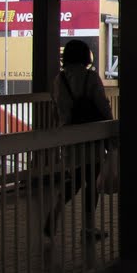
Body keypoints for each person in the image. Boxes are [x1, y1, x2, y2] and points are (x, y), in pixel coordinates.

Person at [48, 39, 113, 244]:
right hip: (91, 137)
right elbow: (102, 105)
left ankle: (54, 215)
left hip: (69, 137)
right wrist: (111, 128)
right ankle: (87, 227)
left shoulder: (59, 79)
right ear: (86, 56)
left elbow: (56, 108)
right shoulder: (90, 77)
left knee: (74, 179)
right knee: (92, 182)